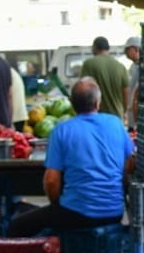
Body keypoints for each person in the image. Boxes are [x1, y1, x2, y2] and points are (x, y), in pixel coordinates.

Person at [7, 78, 134, 237]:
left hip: (76, 213)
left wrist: (56, 204)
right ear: (97, 103)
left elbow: (51, 180)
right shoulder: (115, 123)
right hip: (114, 213)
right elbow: (129, 164)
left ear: (72, 103)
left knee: (17, 225)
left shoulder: (61, 130)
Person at [81, 36, 129, 121]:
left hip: (96, 117)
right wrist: (125, 111)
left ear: (95, 47)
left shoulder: (88, 64)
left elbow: (83, 88)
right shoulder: (120, 66)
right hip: (117, 116)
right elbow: (126, 91)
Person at [123, 35, 142, 126]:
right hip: (130, 112)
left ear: (136, 49)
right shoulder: (133, 66)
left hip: (137, 114)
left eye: (128, 49)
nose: (125, 52)